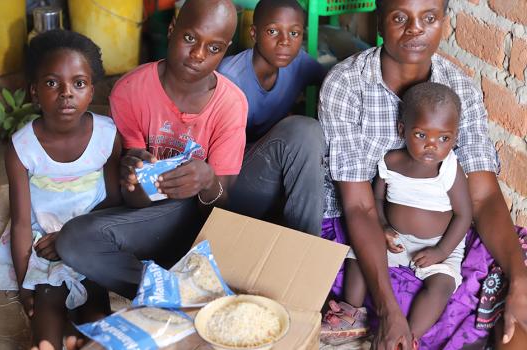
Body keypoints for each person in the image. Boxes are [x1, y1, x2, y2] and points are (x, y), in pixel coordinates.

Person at [318, 0, 527, 349]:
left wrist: (519, 276)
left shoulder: (460, 89)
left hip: (442, 237)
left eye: (429, 18)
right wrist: (387, 312)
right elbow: (360, 207)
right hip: (368, 231)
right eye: (400, 17)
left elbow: (483, 196)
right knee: (394, 298)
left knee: (515, 277)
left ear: (442, 22)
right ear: (380, 24)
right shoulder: (346, 84)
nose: (415, 28)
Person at [56, 0, 246, 300]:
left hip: (200, 220)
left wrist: (208, 180)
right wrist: (134, 176)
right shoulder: (130, 90)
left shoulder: (231, 104)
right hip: (150, 221)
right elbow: (132, 200)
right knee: (73, 240)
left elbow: (221, 208)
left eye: (214, 48)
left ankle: (177, 284)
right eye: (189, 38)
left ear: (226, 50)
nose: (198, 54)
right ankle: (179, 296)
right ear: (172, 29)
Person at [0, 30, 121, 350]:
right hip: (42, 235)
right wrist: (23, 286)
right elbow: (18, 223)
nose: (66, 93)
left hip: (91, 235)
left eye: (79, 83)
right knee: (44, 302)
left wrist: (74, 238)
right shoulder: (22, 147)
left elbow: (114, 201)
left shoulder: (108, 135)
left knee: (97, 309)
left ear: (92, 90)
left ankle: (84, 337)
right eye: (52, 83)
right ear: (34, 91)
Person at [322, 82, 472, 345]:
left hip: (438, 244)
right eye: (421, 135)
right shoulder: (390, 162)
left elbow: (463, 216)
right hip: (397, 237)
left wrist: (440, 252)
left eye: (443, 138)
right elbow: (377, 198)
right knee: (359, 254)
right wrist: (382, 226)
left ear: (455, 138)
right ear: (403, 130)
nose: (432, 146)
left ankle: (409, 336)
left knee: (442, 285)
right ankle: (350, 312)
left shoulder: (449, 170)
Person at [217, 0, 327, 235]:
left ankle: (303, 245)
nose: (285, 41)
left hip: (270, 167)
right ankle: (307, 247)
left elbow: (334, 83)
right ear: (254, 33)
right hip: (229, 183)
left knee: (310, 138)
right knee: (303, 130)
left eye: (294, 33)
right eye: (273, 31)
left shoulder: (298, 63)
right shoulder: (228, 77)